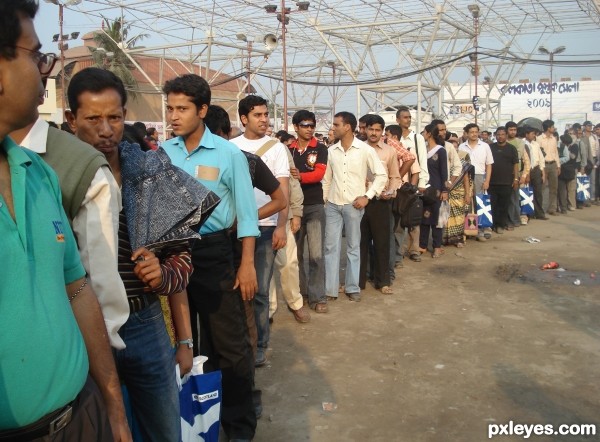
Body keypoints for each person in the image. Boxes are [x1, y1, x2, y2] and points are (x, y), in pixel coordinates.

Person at [0, 3, 130, 440]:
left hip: (79, 418)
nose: (44, 73)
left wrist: (112, 402)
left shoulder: (39, 174)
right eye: (36, 56)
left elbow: (77, 287)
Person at [66, 67, 193, 442]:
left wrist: (164, 275)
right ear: (72, 119)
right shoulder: (55, 177)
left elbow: (182, 258)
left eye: (115, 117)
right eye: (93, 119)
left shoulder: (152, 172)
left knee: (164, 431)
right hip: (82, 326)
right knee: (105, 431)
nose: (106, 130)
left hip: (146, 325)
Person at [162, 74, 259, 441]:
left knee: (230, 347)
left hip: (217, 253)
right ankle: (197, 422)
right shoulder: (163, 154)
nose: (174, 116)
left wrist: (246, 264)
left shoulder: (228, 154)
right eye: (170, 108)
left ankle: (238, 426)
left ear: (202, 110)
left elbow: (248, 215)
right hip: (174, 254)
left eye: (182, 109)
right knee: (187, 344)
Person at [230, 94, 290, 367]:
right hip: (234, 230)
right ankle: (240, 341)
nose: (264, 119)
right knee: (236, 291)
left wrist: (281, 226)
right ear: (244, 118)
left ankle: (260, 344)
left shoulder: (276, 148)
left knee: (261, 291)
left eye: (266, 114)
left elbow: (283, 191)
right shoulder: (230, 147)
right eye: (258, 115)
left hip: (265, 228)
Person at [323, 111, 387, 302]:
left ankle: (352, 287)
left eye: (336, 125)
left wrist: (367, 196)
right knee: (330, 248)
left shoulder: (365, 150)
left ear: (347, 127)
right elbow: (326, 180)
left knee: (353, 246)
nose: (333, 128)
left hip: (354, 205)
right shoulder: (331, 151)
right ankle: (330, 289)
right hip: (333, 205)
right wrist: (325, 201)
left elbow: (381, 175)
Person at [289, 109, 329, 313]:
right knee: (295, 255)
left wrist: (299, 176)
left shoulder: (320, 148)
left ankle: (318, 296)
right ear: (295, 127)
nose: (309, 129)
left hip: (313, 206)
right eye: (305, 125)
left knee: (316, 254)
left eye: (312, 125)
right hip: (293, 208)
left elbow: (319, 174)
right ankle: (301, 294)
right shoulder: (289, 149)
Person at [359, 114, 401, 293]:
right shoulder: (358, 149)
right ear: (365, 130)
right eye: (371, 129)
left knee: (382, 242)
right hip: (360, 200)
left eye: (378, 130)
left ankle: (383, 282)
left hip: (381, 202)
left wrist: (390, 193)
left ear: (383, 132)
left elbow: (394, 176)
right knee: (359, 243)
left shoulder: (389, 151)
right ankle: (358, 282)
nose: (374, 133)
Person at [395, 106, 429, 262]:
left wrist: (420, 184)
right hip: (397, 186)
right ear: (398, 120)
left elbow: (422, 161)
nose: (408, 120)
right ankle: (399, 252)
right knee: (399, 220)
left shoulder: (417, 138)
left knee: (414, 218)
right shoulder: (393, 139)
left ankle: (414, 250)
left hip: (413, 183)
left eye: (409, 117)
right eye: (405, 117)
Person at [459, 123, 494, 241]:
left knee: (480, 203)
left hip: (480, 177)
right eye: (471, 132)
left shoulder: (484, 146)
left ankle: (481, 230)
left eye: (476, 132)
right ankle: (469, 230)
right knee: (468, 203)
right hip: (465, 178)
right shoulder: (462, 147)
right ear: (467, 133)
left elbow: (489, 165)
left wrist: (487, 180)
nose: (474, 134)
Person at [419, 124, 448, 258]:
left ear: (429, 133)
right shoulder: (423, 149)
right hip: (425, 188)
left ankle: (437, 246)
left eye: (424, 132)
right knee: (424, 217)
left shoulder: (440, 151)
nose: (423, 134)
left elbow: (444, 172)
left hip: (437, 189)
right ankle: (422, 245)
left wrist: (444, 190)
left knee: (437, 218)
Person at [488, 127, 519, 234]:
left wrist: (515, 179)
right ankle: (493, 225)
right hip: (492, 182)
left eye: (502, 134)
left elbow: (515, 164)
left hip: (506, 182)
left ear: (506, 135)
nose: (500, 136)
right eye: (498, 134)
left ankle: (501, 225)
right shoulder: (490, 147)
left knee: (504, 205)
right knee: (493, 205)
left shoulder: (512, 148)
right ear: (495, 135)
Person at [505, 121, 530, 228]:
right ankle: (506, 220)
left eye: (514, 130)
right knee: (505, 199)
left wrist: (524, 175)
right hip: (503, 175)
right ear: (506, 131)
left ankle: (515, 219)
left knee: (515, 199)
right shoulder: (501, 141)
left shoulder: (520, 143)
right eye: (511, 130)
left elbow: (526, 160)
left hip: (516, 174)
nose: (513, 132)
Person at [523, 126, 548, 220]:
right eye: (532, 134)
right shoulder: (522, 144)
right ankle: (528, 213)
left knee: (538, 193)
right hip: (527, 170)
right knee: (527, 192)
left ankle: (539, 213)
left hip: (536, 169)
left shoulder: (536, 144)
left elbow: (541, 158)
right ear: (526, 134)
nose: (534, 135)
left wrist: (543, 172)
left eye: (534, 134)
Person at [537, 120, 560, 215]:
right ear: (548, 128)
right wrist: (541, 167)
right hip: (544, 165)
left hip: (553, 164)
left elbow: (556, 153)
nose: (554, 128)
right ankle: (541, 209)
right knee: (542, 188)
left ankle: (552, 208)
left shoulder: (554, 139)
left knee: (554, 188)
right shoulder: (539, 139)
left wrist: (558, 166)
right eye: (552, 126)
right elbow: (538, 154)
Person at [558, 133, 579, 212]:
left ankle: (572, 205)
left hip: (570, 169)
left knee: (571, 189)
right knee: (562, 190)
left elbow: (573, 156)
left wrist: (566, 151)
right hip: (562, 169)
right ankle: (563, 206)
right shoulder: (560, 147)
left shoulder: (574, 146)